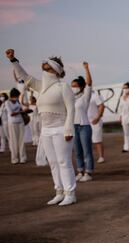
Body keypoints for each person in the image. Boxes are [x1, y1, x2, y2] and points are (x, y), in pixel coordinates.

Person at [6, 49, 76, 206]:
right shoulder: (40, 86)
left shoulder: (63, 87)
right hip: (46, 130)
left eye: (48, 66)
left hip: (60, 129)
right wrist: (13, 60)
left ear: (56, 70)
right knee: (52, 162)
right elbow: (23, 76)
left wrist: (68, 129)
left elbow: (71, 109)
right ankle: (59, 192)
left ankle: (70, 193)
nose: (44, 67)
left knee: (64, 161)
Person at [72, 62, 94, 182]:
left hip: (84, 126)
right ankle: (80, 171)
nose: (72, 87)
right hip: (73, 127)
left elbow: (89, 83)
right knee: (77, 152)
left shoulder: (85, 96)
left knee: (87, 151)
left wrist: (86, 69)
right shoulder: (71, 97)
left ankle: (88, 172)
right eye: (71, 85)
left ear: (80, 86)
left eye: (75, 85)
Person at [5, 88, 27, 164]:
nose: (17, 97)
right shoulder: (7, 103)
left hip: (20, 122)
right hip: (12, 123)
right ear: (12, 96)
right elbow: (11, 114)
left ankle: (23, 158)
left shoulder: (18, 101)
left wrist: (24, 110)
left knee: (22, 141)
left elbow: (22, 108)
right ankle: (14, 159)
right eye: (16, 96)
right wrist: (21, 111)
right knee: (14, 141)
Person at [87, 89, 105, 163]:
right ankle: (88, 158)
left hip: (95, 121)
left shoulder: (94, 96)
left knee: (97, 140)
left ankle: (101, 156)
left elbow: (102, 106)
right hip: (85, 122)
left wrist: (98, 117)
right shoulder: (82, 97)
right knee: (86, 141)